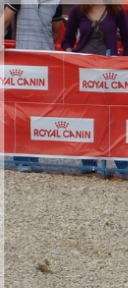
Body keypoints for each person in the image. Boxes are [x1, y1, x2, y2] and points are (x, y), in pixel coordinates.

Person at [61, 1, 128, 173]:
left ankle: (124, 165)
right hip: (84, 73)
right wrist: (70, 53)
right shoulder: (77, 10)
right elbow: (67, 40)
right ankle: (88, 164)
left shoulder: (116, 10)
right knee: (87, 116)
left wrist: (121, 65)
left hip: (110, 75)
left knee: (114, 117)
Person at [3, 0, 63, 172]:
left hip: (46, 64)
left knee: (40, 113)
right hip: (24, 65)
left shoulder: (57, 2)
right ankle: (22, 159)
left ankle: (33, 157)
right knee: (22, 112)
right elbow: (4, 20)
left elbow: (56, 32)